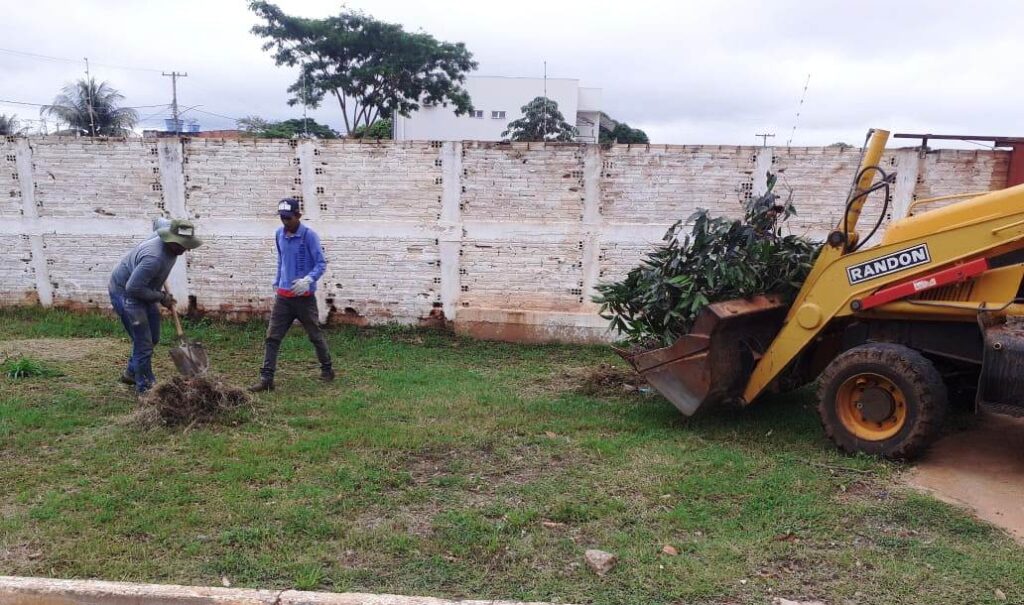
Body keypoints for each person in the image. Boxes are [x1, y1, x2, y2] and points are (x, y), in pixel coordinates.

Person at [249, 198, 334, 392]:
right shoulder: (279, 234)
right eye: (282, 218)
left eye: (288, 218)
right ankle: (266, 378)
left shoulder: (309, 236)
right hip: (284, 298)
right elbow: (281, 260)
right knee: (272, 337)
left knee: (314, 335)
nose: (285, 222)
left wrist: (308, 279)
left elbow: (321, 263)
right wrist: (278, 280)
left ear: (298, 216)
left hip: (304, 298)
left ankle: (327, 369)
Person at [109, 219, 202, 393]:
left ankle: (131, 372)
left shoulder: (165, 231)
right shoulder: (153, 259)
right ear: (171, 240)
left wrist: (157, 295)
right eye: (182, 245)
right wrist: (161, 297)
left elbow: (157, 221)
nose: (185, 249)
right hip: (127, 294)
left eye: (187, 244)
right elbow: (133, 288)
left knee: (153, 338)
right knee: (143, 344)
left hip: (145, 290)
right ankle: (146, 388)